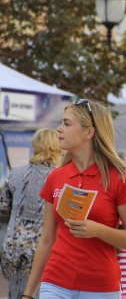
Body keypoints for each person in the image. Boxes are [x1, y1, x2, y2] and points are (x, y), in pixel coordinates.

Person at [22, 99, 126, 299]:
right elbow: (46, 240)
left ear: (89, 132)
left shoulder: (118, 178)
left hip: (101, 288)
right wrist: (27, 295)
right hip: (55, 283)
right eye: (61, 123)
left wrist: (97, 230)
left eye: (67, 124)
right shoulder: (55, 177)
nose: (58, 129)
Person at [0, 128, 62, 299]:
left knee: (14, 293)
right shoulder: (58, 177)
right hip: (42, 249)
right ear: (56, 148)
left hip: (13, 247)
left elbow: (3, 207)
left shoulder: (15, 173)